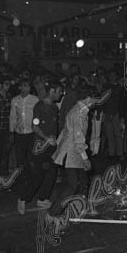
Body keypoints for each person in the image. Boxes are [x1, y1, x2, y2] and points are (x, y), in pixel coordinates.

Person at [47, 87, 96, 217]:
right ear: (87, 98)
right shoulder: (79, 113)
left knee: (82, 181)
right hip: (72, 153)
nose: (95, 103)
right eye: (94, 100)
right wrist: (85, 158)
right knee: (72, 186)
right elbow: (78, 138)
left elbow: (66, 131)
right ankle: (53, 213)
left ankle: (79, 207)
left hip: (72, 151)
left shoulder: (79, 110)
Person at [17, 79, 63, 214]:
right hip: (40, 146)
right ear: (52, 91)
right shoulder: (40, 106)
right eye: (59, 91)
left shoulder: (54, 107)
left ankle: (43, 198)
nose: (61, 94)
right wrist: (46, 138)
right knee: (37, 174)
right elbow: (35, 126)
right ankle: (23, 198)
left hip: (51, 145)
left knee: (51, 172)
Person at [9, 80, 40, 173]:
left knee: (31, 156)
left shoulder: (35, 100)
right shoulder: (15, 100)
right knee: (20, 157)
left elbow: (38, 115)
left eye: (28, 86)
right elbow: (13, 116)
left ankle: (30, 175)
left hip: (31, 132)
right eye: (24, 86)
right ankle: (21, 176)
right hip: (19, 132)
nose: (27, 88)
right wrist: (11, 131)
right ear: (20, 87)